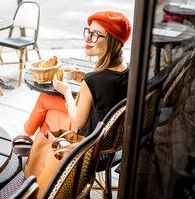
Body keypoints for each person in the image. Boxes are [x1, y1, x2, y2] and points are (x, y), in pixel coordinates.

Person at [14, 11, 131, 141]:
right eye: (89, 32)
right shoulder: (130, 69)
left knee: (48, 117)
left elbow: (78, 122)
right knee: (44, 99)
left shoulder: (92, 81)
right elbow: (109, 87)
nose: (87, 38)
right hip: (109, 133)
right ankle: (26, 137)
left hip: (89, 139)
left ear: (111, 41)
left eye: (95, 35)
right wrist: (85, 77)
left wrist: (66, 92)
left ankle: (30, 146)